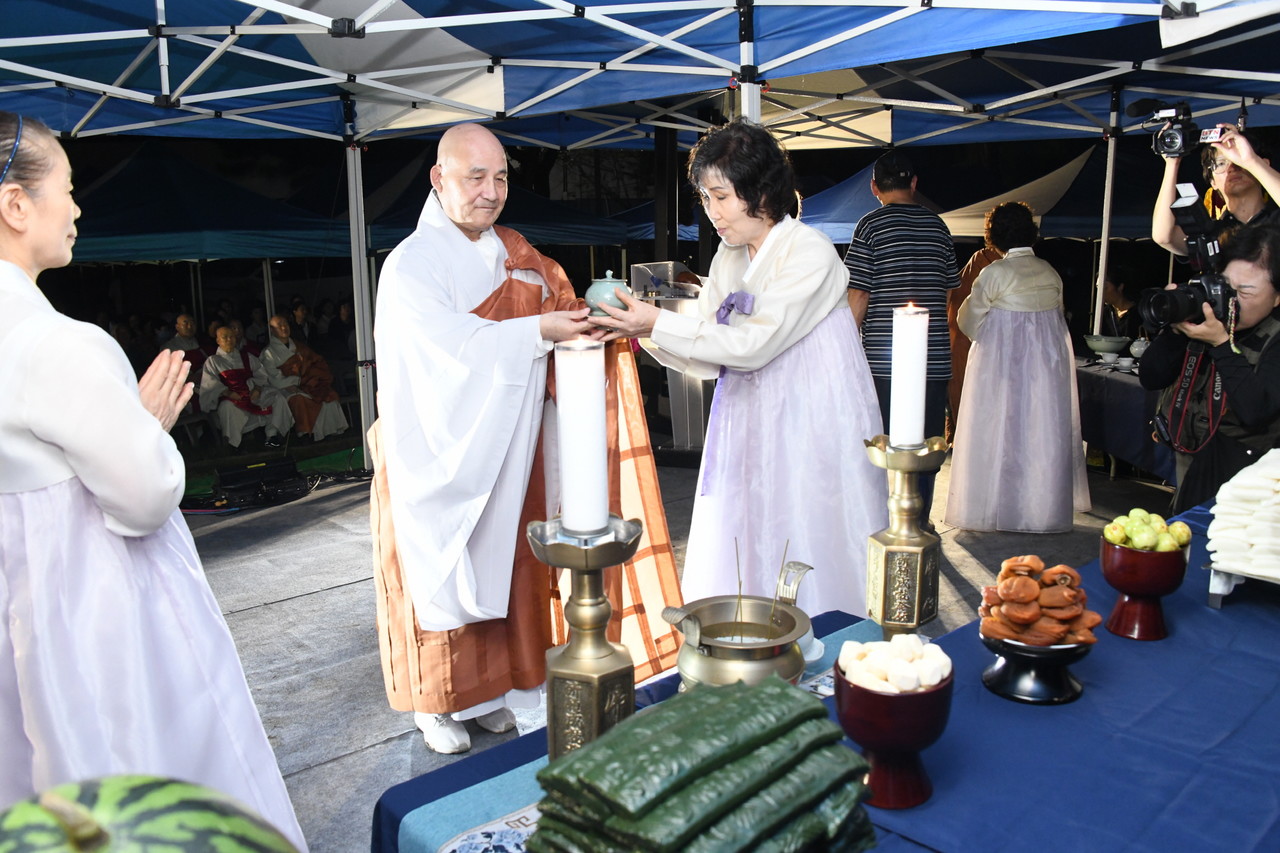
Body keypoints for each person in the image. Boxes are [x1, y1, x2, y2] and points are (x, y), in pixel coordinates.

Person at [0, 112, 306, 849]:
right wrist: (147, 428)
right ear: (15, 204)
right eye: (67, 188)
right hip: (87, 618)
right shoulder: (58, 344)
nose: (77, 208)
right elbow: (142, 497)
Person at [595, 118, 887, 620]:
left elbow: (753, 346)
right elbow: (712, 352)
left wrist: (657, 321)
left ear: (762, 191)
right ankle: (752, 636)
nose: (712, 212)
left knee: (809, 522)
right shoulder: (730, 256)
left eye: (722, 196)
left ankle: (829, 634)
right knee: (751, 524)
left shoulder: (809, 251)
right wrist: (643, 332)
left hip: (812, 413)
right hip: (750, 412)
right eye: (705, 198)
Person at [371, 123, 597, 755]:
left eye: (500, 178)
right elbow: (444, 350)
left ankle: (490, 692)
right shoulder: (412, 264)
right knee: (436, 569)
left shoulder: (515, 254)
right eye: (475, 177)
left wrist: (582, 320)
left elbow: (553, 307)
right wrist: (537, 331)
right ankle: (437, 703)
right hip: (434, 451)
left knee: (509, 568)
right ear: (439, 179)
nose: (491, 192)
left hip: (505, 444)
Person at [945, 202, 1090, 533]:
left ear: (993, 236)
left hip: (1001, 366)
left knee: (998, 430)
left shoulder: (994, 273)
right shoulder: (1049, 272)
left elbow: (967, 319)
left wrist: (996, 337)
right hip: (1045, 369)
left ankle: (996, 503)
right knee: (1039, 431)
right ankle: (1038, 507)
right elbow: (1057, 321)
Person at [844, 150, 960, 527]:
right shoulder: (938, 227)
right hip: (932, 358)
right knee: (925, 447)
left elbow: (858, 294)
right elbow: (948, 293)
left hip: (882, 360)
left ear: (874, 187)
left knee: (878, 445)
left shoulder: (870, 226)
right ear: (914, 183)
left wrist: (846, 347)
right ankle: (918, 522)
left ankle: (879, 522)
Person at [1140, 222, 1280, 513]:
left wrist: (1220, 344)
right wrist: (1175, 329)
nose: (1231, 301)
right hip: (1195, 464)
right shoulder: (1206, 316)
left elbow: (1256, 411)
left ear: (1277, 297)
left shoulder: (1274, 337)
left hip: (1252, 482)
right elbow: (1151, 377)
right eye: (1226, 287)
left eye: (1246, 292)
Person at [1153, 124, 1280, 257]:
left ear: (1264, 164)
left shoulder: (1276, 220)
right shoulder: (1211, 233)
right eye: (1221, 163)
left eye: (1238, 159)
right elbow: (1163, 237)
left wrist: (1250, 161)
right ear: (1212, 182)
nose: (1232, 168)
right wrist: (1172, 164)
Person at [199, 325, 293, 448]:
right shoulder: (213, 361)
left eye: (231, 336)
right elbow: (210, 383)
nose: (229, 339)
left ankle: (272, 435)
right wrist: (228, 393)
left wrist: (257, 388)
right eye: (225, 337)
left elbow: (261, 374)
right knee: (227, 407)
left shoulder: (246, 357)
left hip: (251, 394)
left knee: (277, 397)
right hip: (232, 398)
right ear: (218, 340)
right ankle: (233, 443)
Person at [261, 313, 348, 441]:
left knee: (328, 395)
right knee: (299, 399)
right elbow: (274, 379)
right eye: (279, 326)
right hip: (285, 387)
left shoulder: (299, 346)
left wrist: (309, 378)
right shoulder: (268, 353)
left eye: (285, 324)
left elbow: (315, 362)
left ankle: (329, 431)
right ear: (272, 330)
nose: (284, 328)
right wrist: (297, 381)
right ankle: (305, 433)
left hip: (307, 383)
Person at [947, 240, 1003, 440]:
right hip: (979, 346)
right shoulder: (983, 261)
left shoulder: (986, 262)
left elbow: (962, 312)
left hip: (974, 343)